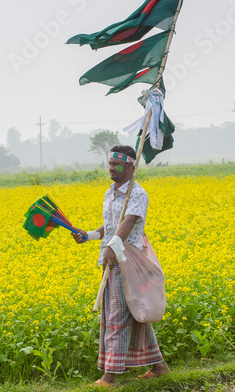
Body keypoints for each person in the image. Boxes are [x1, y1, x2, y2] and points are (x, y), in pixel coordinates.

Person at [72, 145, 169, 387]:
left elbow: (127, 223)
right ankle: (159, 367)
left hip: (126, 260)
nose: (111, 168)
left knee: (116, 316)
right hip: (111, 256)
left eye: (117, 165)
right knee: (135, 313)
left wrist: (111, 247)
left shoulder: (137, 194)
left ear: (130, 166)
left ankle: (110, 376)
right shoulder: (110, 193)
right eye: (110, 164)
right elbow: (112, 224)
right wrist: (91, 236)